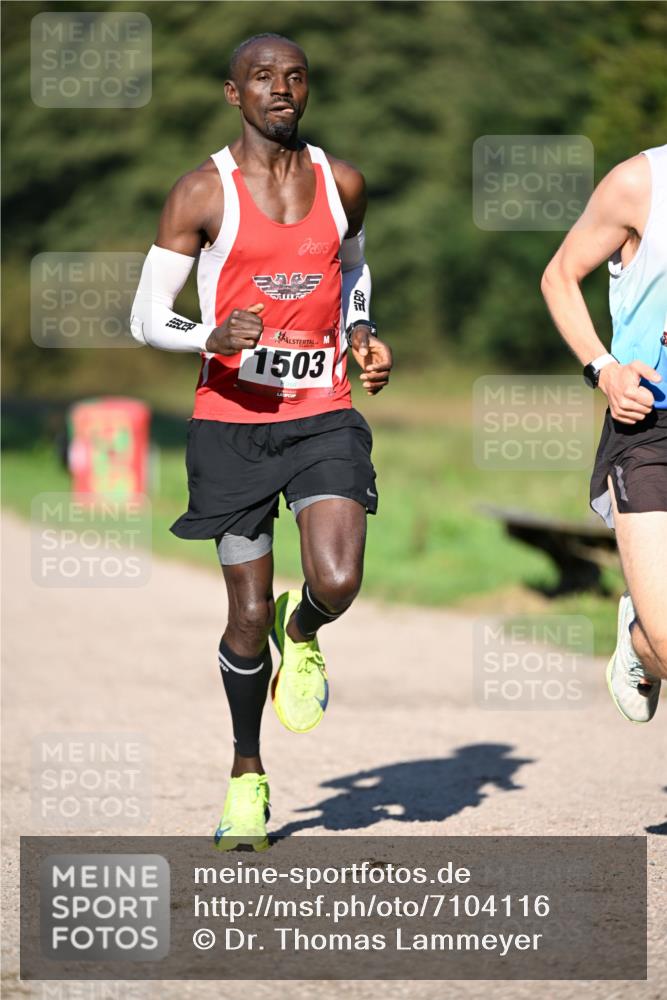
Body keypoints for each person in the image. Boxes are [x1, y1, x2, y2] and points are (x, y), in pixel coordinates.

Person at [130, 33, 392, 848]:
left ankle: (306, 629)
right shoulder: (200, 193)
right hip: (231, 424)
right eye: (261, 79)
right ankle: (247, 772)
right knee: (245, 615)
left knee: (339, 579)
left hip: (321, 409)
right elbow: (146, 317)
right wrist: (209, 335)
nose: (281, 90)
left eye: (294, 77)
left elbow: (351, 268)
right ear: (231, 93)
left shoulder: (340, 182)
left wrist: (360, 330)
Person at [542, 143, 667, 724]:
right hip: (650, 423)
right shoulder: (641, 183)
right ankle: (642, 641)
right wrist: (604, 369)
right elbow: (560, 276)